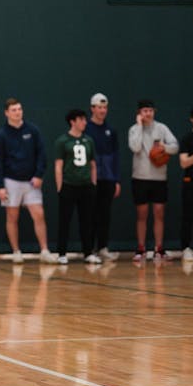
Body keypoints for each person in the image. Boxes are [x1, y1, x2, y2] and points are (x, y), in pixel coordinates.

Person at [0, 98, 52, 264]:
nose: (17, 112)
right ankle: (16, 251)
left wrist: (39, 175)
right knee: (12, 216)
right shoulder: (2, 135)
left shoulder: (32, 130)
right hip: (11, 181)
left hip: (31, 181)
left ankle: (44, 250)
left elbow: (41, 154)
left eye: (19, 109)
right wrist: (1, 186)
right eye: (13, 110)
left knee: (39, 214)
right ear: (6, 113)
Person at [128, 99, 178, 261]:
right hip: (140, 178)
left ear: (154, 112)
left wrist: (165, 148)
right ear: (139, 113)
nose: (148, 114)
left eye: (150, 111)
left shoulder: (162, 128)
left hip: (159, 178)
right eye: (144, 111)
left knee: (159, 212)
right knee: (141, 214)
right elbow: (135, 147)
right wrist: (140, 127)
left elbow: (175, 146)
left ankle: (159, 248)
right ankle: (141, 248)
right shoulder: (134, 129)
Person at [53, 109, 100, 265]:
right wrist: (60, 187)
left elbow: (93, 164)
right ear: (73, 122)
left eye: (85, 120)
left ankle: (88, 252)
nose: (85, 122)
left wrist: (93, 183)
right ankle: (61, 253)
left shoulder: (89, 140)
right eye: (81, 119)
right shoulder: (62, 141)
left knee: (87, 221)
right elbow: (58, 165)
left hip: (86, 186)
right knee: (64, 221)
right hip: (69, 185)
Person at [84, 93, 120, 261]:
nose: (102, 111)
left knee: (105, 214)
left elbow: (115, 156)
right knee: (90, 214)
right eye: (99, 107)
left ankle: (103, 247)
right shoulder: (86, 129)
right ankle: (89, 249)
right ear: (92, 109)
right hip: (91, 179)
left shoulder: (110, 131)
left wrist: (116, 180)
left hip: (108, 179)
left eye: (105, 108)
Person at [179, 106, 193, 263]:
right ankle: (186, 247)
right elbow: (184, 163)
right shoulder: (187, 139)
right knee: (188, 216)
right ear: (192, 119)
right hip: (191, 182)